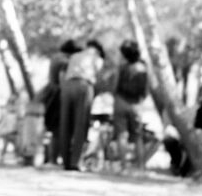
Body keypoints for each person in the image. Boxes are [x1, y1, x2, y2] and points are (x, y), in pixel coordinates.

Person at [57, 39, 102, 171]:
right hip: (84, 86)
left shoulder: (75, 56)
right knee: (80, 124)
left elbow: (64, 73)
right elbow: (98, 78)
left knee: (65, 123)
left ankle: (65, 161)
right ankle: (75, 162)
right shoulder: (96, 58)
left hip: (68, 86)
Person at [111, 41, 150, 170]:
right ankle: (141, 166)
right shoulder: (143, 67)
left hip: (121, 101)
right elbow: (147, 89)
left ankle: (124, 166)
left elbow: (115, 85)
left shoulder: (122, 67)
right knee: (138, 136)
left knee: (122, 134)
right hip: (136, 104)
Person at [39, 39, 73, 166]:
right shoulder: (65, 61)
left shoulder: (55, 58)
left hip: (49, 93)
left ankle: (48, 157)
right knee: (57, 129)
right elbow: (62, 79)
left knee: (51, 128)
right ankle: (53, 159)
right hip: (58, 94)